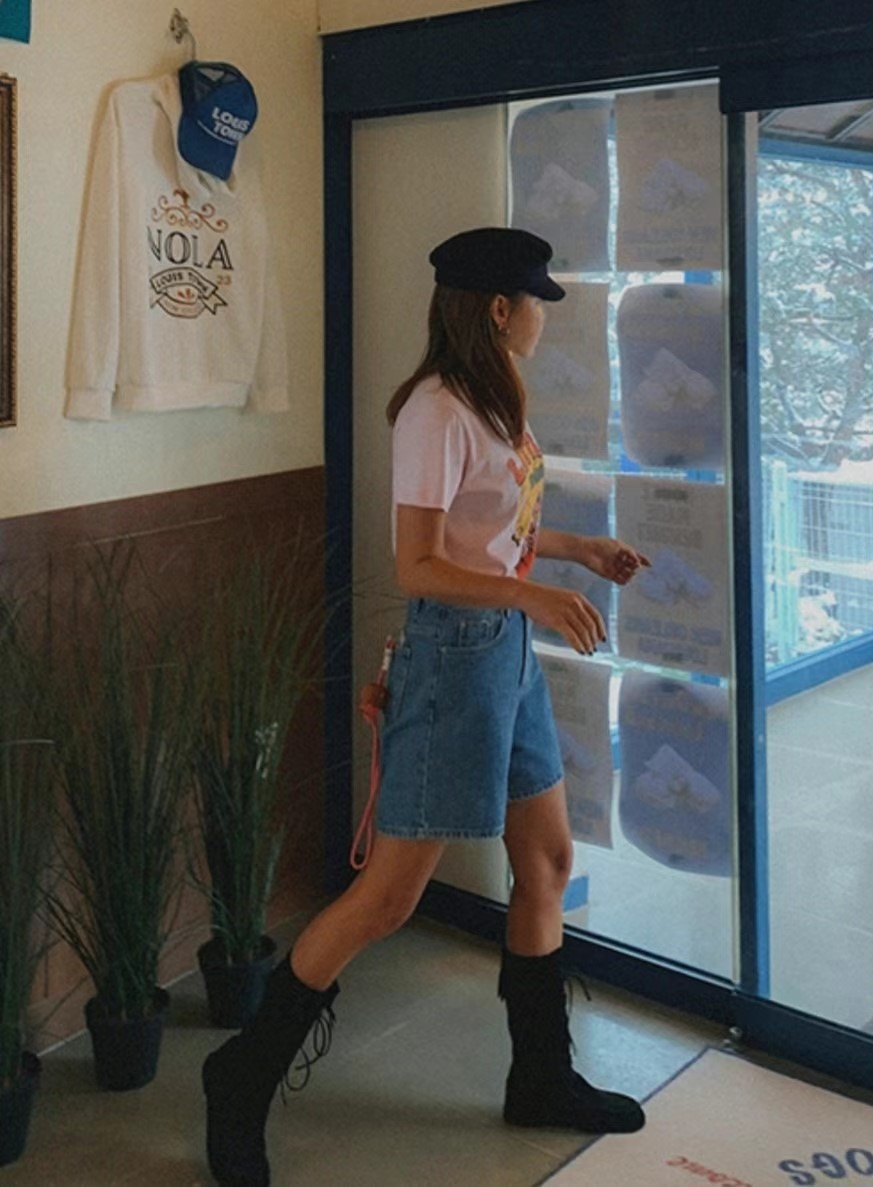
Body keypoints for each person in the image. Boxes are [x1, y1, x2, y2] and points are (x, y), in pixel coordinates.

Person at [202, 226, 651, 1187]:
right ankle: (240, 1073)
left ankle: (539, 1074)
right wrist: (534, 595)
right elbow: (416, 565)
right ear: (498, 309)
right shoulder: (436, 410)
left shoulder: (493, 400)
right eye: (535, 302)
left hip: (503, 652)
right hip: (453, 657)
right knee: (389, 896)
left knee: (547, 859)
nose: (542, 319)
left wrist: (576, 550)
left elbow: (491, 531)